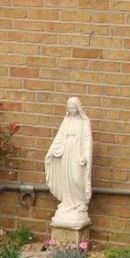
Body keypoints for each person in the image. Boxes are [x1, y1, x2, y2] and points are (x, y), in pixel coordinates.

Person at [43, 97, 93, 228]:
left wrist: (86, 154)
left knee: (76, 178)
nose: (71, 110)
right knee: (67, 179)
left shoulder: (84, 122)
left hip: (77, 153)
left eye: (73, 108)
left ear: (78, 108)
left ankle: (79, 204)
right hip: (66, 152)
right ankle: (68, 204)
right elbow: (60, 136)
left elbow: (88, 139)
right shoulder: (66, 120)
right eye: (69, 108)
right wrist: (53, 150)